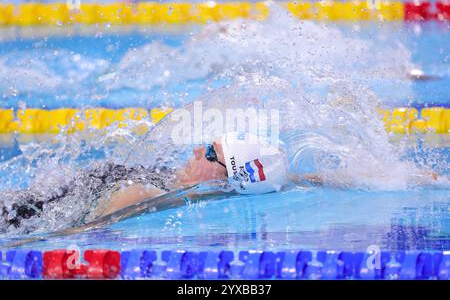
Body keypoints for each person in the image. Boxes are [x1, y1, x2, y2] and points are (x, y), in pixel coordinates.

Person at [0, 131, 438, 234]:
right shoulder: (229, 185)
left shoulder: (150, 194)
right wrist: (402, 176)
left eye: (210, 153)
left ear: (228, 177)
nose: (196, 151)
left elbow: (77, 235)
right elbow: (305, 179)